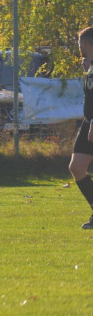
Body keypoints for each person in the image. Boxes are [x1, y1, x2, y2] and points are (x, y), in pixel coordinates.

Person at [69, 26, 93, 229]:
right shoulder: (91, 66)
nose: (78, 47)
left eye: (79, 44)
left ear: (84, 44)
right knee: (76, 167)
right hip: (89, 122)